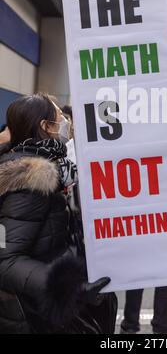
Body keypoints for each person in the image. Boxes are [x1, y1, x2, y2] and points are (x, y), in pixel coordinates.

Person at [0, 93, 117, 334]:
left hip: (41, 308)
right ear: (46, 127)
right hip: (34, 315)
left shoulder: (47, 167)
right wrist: (69, 288)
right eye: (61, 117)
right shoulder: (31, 180)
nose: (67, 121)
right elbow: (6, 261)